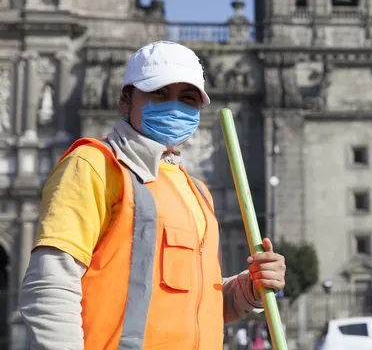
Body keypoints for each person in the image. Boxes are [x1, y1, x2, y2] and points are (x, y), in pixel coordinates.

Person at [18, 41, 287, 350]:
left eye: (187, 98)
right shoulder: (94, 166)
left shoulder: (196, 191)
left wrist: (248, 290)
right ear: (125, 99)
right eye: (159, 93)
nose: (173, 106)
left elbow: (195, 301)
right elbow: (51, 285)